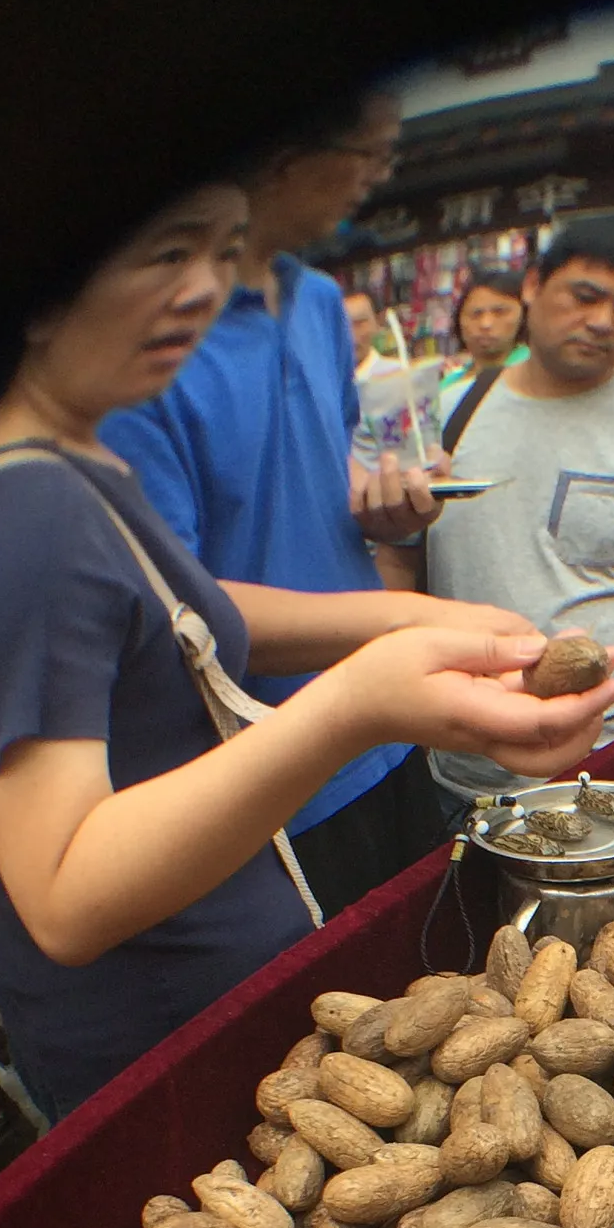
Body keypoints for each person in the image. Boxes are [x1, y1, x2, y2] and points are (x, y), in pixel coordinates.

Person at [0, 182, 614, 1121]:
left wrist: (403, 621)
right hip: (154, 1055)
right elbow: (64, 894)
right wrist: (354, 705)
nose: (208, 288)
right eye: (168, 252)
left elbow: (193, 620)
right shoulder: (27, 518)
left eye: (224, 252)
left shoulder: (77, 460)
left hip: (215, 1013)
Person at [99, 89, 461, 919]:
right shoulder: (146, 352)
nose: (377, 177)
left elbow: (324, 480)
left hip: (384, 736)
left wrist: (386, 510)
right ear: (282, 159)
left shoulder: (319, 302)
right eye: (369, 154)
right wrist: (406, 623)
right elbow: (175, 613)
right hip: (263, 769)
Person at [399, 210, 614, 816]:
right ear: (533, 286)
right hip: (467, 771)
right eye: (584, 296)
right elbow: (400, 567)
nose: (603, 322)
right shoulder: (443, 416)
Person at [433, 263, 528, 426]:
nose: (486, 324)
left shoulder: (535, 369)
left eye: (500, 312)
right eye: (475, 314)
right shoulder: (447, 386)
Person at [343, 290, 398, 379]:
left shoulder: (396, 376)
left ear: (379, 322)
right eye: (342, 326)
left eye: (359, 324)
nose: (351, 334)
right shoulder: (323, 382)